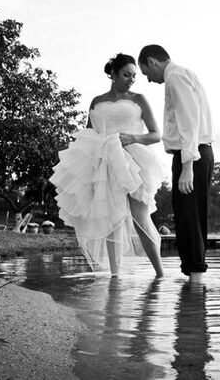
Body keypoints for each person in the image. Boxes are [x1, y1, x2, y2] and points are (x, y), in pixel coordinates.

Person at [49, 53, 164, 277]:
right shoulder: (96, 101)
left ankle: (160, 274)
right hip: (103, 162)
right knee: (113, 217)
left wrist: (132, 138)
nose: (131, 79)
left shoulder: (138, 99)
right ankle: (115, 275)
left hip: (133, 161)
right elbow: (89, 134)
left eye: (134, 76)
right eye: (126, 74)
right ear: (113, 74)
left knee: (140, 216)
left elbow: (156, 135)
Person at [138, 45, 214, 284]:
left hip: (191, 154)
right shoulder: (182, 74)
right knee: (190, 215)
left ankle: (196, 280)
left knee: (188, 216)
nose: (149, 80)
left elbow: (188, 121)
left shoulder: (175, 77)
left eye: (145, 72)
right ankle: (195, 278)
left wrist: (188, 165)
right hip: (195, 152)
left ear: (152, 62)